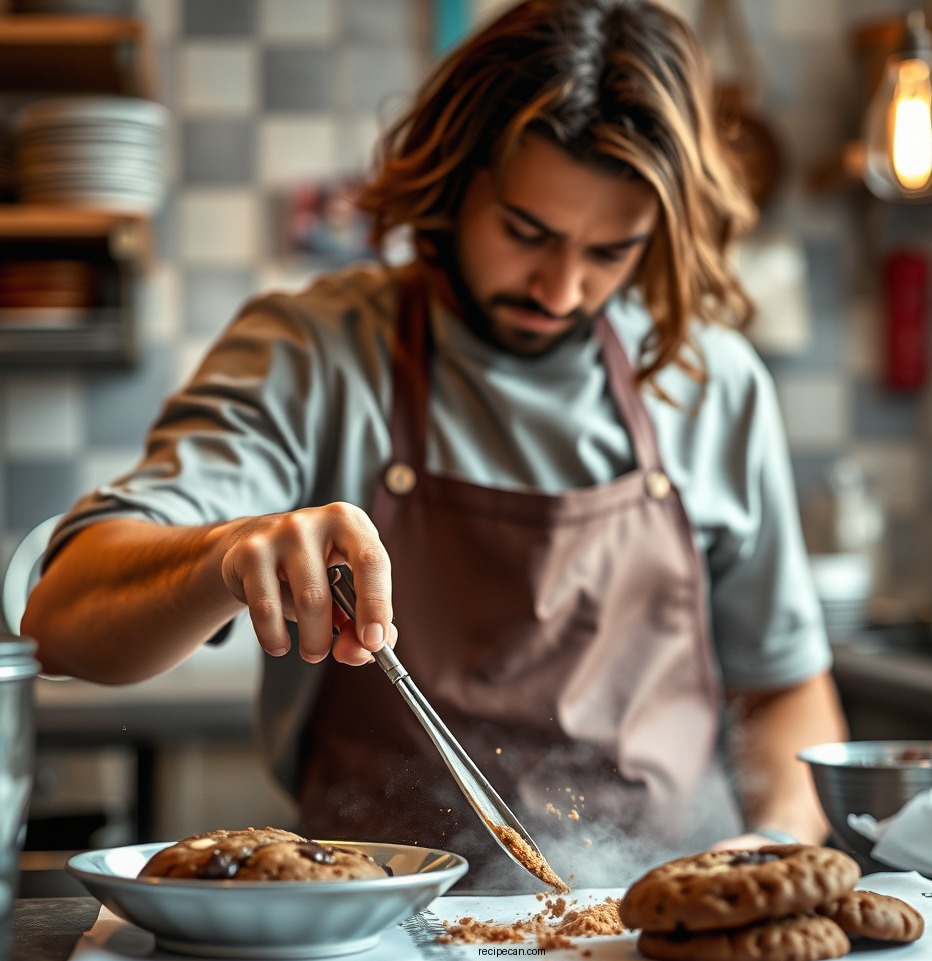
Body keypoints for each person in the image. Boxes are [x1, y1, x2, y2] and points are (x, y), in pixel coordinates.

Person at [22, 0, 847, 888]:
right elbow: (63, 622)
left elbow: (786, 691)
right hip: (377, 942)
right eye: (527, 233)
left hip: (665, 941)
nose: (563, 288)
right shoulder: (315, 354)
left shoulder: (709, 380)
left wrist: (776, 840)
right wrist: (223, 553)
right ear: (453, 182)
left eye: (612, 251)